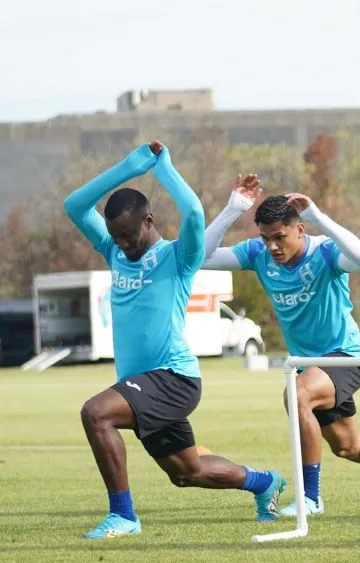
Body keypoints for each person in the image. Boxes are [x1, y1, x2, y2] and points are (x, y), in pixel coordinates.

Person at [65, 142, 286, 539]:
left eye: (128, 235)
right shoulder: (114, 252)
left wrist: (162, 167)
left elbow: (195, 213)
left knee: (96, 413)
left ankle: (124, 516)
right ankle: (264, 482)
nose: (122, 244)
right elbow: (75, 206)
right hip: (142, 384)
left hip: (173, 378)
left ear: (149, 220)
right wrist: (131, 166)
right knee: (187, 472)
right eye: (115, 237)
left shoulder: (179, 256)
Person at [202, 181, 360, 516]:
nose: (272, 246)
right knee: (347, 446)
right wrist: (233, 209)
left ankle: (310, 499)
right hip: (309, 364)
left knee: (298, 395)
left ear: (300, 229)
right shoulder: (257, 255)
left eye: (279, 237)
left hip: (347, 355)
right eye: (266, 238)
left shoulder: (325, 251)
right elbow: (199, 257)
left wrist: (317, 216)